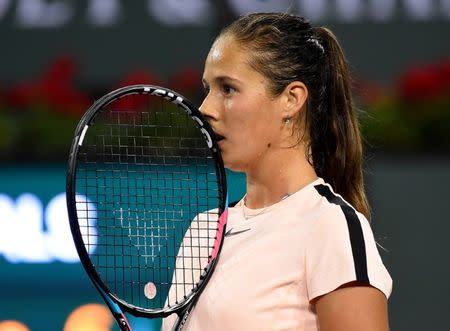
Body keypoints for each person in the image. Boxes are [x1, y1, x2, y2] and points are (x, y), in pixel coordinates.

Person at [163, 12, 392, 330]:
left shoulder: (330, 227)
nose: (204, 109)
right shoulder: (202, 232)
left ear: (291, 99)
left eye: (228, 89)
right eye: (208, 89)